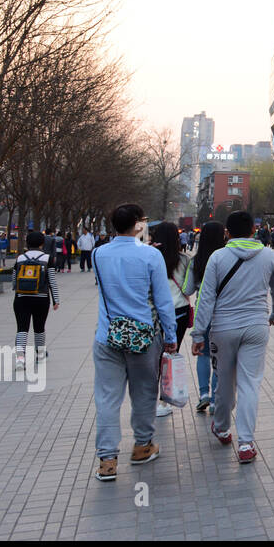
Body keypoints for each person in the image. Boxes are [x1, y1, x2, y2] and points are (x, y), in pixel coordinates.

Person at [91, 204, 177, 482]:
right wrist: (171, 337)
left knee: (107, 397)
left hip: (108, 335)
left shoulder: (98, 254)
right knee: (143, 393)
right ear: (139, 225)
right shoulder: (151, 255)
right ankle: (142, 446)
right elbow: (163, 301)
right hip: (144, 336)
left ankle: (107, 461)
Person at [191, 211, 274, 465]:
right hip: (256, 326)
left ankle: (221, 428)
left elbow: (205, 298)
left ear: (227, 232)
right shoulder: (268, 255)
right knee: (249, 383)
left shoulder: (217, 257)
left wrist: (199, 333)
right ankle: (245, 443)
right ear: (254, 231)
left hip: (223, 329)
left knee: (224, 380)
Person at [150, 222, 195, 417]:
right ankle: (164, 401)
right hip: (179, 312)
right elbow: (188, 289)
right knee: (169, 355)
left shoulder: (150, 257)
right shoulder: (184, 259)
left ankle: (150, 399)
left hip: (155, 314)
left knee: (154, 357)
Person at [189, 220, 225, 413]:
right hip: (223, 315)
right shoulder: (225, 258)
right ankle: (213, 400)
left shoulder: (196, 260)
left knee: (202, 354)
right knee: (218, 356)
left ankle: (203, 394)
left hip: (202, 313)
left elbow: (187, 287)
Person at [11, 231, 60, 371]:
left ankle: (20, 360)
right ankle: (40, 355)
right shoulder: (47, 258)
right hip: (41, 298)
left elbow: (14, 281)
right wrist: (56, 299)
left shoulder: (20, 258)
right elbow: (52, 281)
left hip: (21, 298)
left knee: (22, 329)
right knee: (39, 328)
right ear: (42, 243)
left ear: (27, 243)